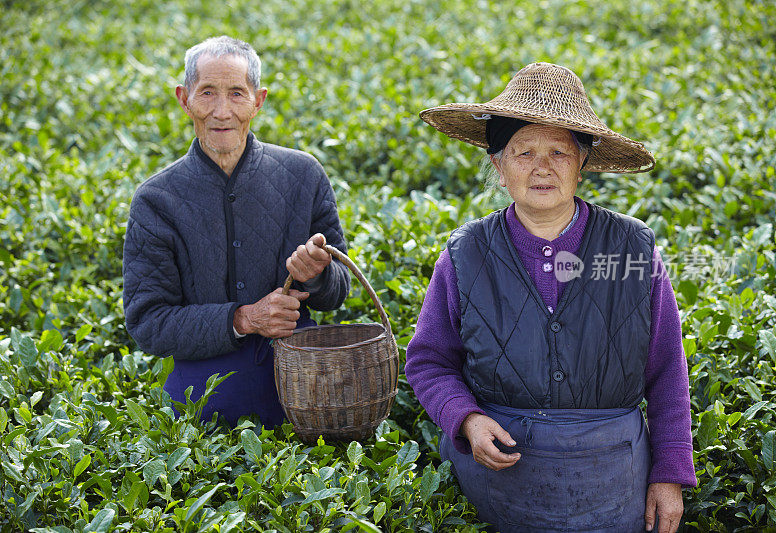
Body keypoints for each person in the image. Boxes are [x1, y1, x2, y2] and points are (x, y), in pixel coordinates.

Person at [405, 62, 696, 532]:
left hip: (613, 476)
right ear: (499, 167)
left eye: (558, 152)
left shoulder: (632, 247)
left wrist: (670, 473)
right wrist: (467, 420)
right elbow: (428, 361)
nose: (541, 167)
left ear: (582, 162)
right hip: (500, 476)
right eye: (523, 152)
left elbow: (667, 368)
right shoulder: (465, 253)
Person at [122, 36, 350, 428]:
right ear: (184, 99)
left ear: (258, 101)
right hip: (204, 382)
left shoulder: (303, 175)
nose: (222, 111)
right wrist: (244, 319)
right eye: (207, 93)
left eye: (237, 94)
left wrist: (319, 274)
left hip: (300, 370)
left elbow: (339, 291)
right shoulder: (155, 200)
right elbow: (148, 322)